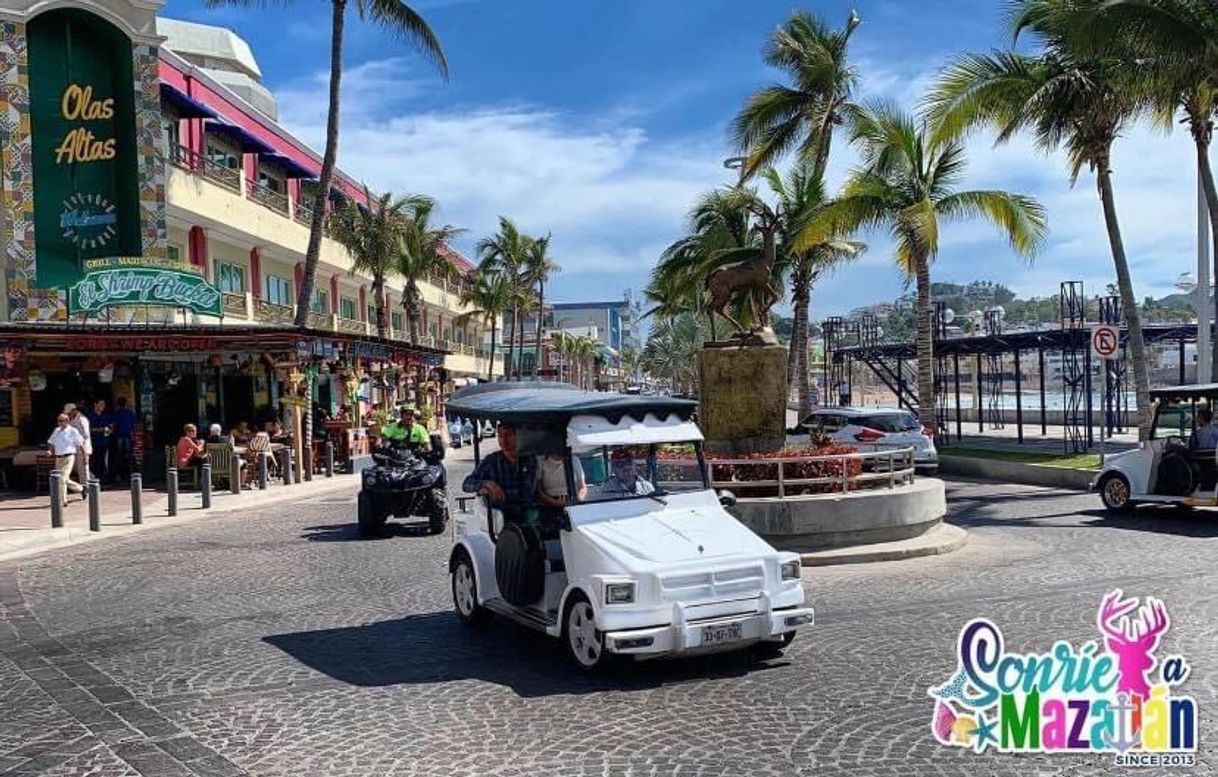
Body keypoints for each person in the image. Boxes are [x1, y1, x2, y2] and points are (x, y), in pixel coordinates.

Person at [462, 423, 536, 517]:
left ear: (518, 436)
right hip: (498, 519)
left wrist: (499, 492)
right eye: (500, 436)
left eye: (508, 435)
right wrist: (486, 484)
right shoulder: (491, 461)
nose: (503, 440)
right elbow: (467, 484)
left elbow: (527, 492)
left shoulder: (529, 460)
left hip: (526, 516)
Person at [47, 413, 86, 506]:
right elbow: (51, 442)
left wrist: (84, 456)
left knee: (62, 478)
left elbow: (80, 444)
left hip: (69, 457)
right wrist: (50, 451)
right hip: (59, 458)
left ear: (67, 421)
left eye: (61, 421)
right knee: (64, 479)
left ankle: (63, 500)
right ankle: (81, 489)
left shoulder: (73, 431)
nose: (59, 423)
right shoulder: (56, 431)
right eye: (58, 421)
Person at [64, 403, 91, 496]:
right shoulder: (70, 420)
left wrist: (84, 452)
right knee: (76, 468)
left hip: (82, 448)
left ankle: (86, 489)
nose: (68, 415)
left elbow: (85, 435)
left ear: (74, 410)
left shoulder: (82, 420)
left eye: (69, 413)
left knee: (83, 470)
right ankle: (92, 482)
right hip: (73, 449)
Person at [111, 397, 137, 481]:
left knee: (118, 455)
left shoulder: (116, 413)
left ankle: (118, 474)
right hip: (128, 436)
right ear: (125, 404)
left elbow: (114, 426)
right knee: (129, 455)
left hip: (119, 436)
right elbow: (133, 426)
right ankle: (130, 474)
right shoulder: (130, 413)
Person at [87, 399, 112, 482]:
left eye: (104, 405)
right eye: (101, 404)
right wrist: (100, 429)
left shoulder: (106, 416)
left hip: (104, 442)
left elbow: (111, 427)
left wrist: (110, 430)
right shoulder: (90, 416)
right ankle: (94, 478)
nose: (103, 407)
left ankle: (103, 478)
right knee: (94, 460)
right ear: (95, 404)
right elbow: (88, 429)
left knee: (103, 460)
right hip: (93, 442)